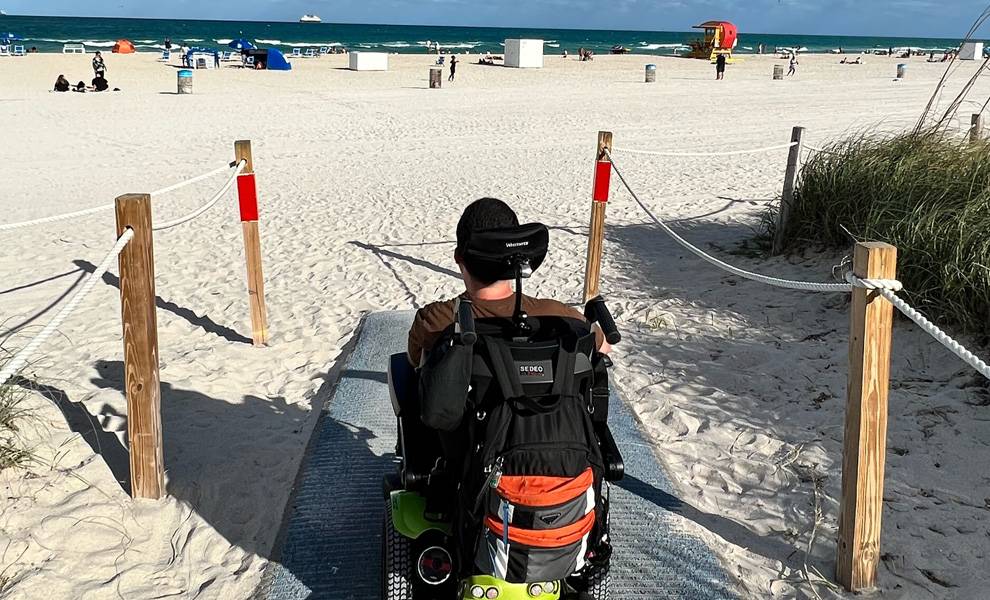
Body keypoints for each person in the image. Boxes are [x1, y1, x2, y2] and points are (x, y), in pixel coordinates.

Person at [407, 198, 607, 367]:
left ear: (459, 257)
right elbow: (604, 346)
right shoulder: (560, 316)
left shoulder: (436, 320)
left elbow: (416, 361)